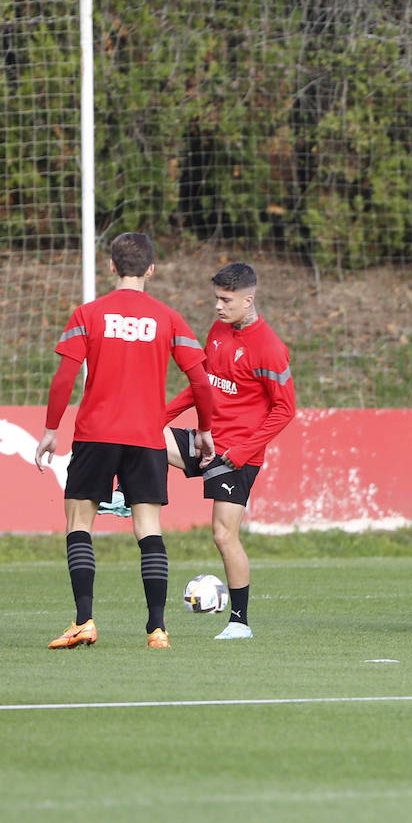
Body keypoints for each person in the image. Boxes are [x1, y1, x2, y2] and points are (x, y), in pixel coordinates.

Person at [35, 232, 216, 649]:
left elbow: (64, 377)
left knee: (79, 524)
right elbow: (200, 382)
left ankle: (85, 621)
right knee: (148, 528)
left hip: (95, 435)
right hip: (146, 438)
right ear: (151, 269)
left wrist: (49, 430)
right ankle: (157, 629)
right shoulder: (168, 318)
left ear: (111, 267)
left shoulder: (88, 314)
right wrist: (203, 430)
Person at [162, 263, 296, 640]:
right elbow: (202, 385)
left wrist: (242, 451)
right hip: (206, 437)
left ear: (247, 299)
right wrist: (160, 415)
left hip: (237, 455)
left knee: (223, 535)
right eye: (217, 299)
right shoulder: (219, 330)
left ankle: (239, 622)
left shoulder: (270, 348)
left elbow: (285, 409)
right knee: (147, 438)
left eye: (226, 300)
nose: (218, 307)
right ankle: (127, 495)